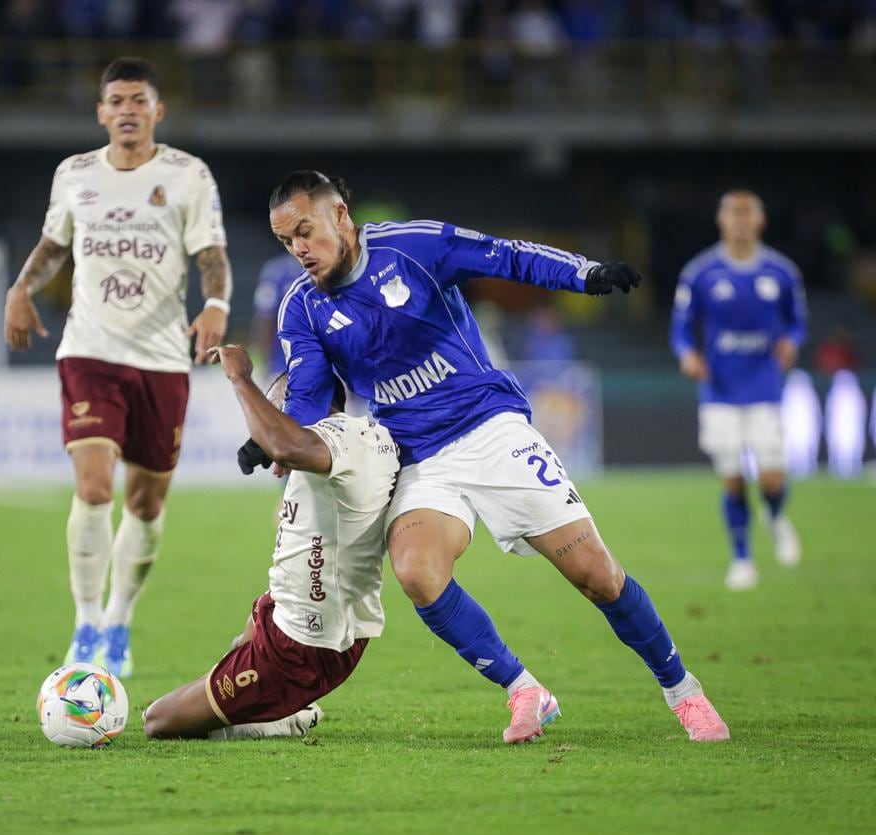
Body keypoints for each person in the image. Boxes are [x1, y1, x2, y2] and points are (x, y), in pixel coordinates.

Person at [258, 171, 729, 743]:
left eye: (304, 231)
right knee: (417, 573)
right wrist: (277, 439)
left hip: (489, 428)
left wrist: (585, 274)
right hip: (415, 455)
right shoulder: (302, 307)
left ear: (339, 216)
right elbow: (308, 393)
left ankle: (683, 691)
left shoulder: (414, 246)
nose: (299, 249)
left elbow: (506, 257)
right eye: (286, 241)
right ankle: (525, 690)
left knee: (597, 576)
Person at [3, 57, 232, 678]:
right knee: (94, 487)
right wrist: (21, 289)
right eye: (117, 101)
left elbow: (211, 254)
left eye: (139, 100)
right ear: (101, 112)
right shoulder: (75, 174)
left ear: (158, 111)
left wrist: (216, 305)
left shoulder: (187, 175)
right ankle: (85, 622)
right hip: (90, 350)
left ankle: (119, 619)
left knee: (147, 503)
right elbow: (54, 244)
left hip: (161, 358)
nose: (128, 110)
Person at [142, 344, 399, 740]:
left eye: (278, 408)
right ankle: (255, 700)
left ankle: (282, 716)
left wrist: (240, 377)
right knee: (251, 626)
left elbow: (283, 442)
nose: (269, 421)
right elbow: (284, 446)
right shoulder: (351, 440)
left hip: (302, 648)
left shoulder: (336, 440)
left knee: (158, 721)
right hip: (302, 618)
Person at [670, 190, 806, 591]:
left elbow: (797, 322)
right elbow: (680, 328)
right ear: (721, 220)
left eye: (748, 214)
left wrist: (792, 342)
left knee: (771, 479)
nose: (741, 221)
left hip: (764, 386)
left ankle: (775, 516)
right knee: (732, 478)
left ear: (760, 221)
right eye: (734, 213)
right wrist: (687, 355)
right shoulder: (701, 273)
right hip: (719, 389)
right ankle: (742, 558)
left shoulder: (781, 272)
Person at [251, 253, 304, 377]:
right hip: (284, 365)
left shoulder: (332, 266)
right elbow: (265, 318)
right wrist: (265, 362)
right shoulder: (277, 271)